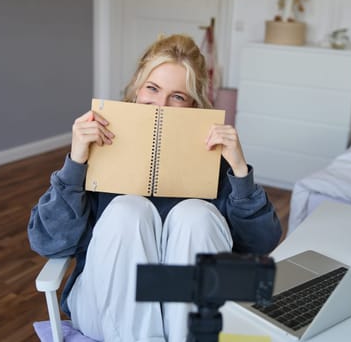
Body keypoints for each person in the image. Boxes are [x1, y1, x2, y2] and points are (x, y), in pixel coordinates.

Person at [28, 34, 282, 342]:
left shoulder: (213, 156)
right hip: (109, 302)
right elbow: (47, 241)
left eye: (177, 96)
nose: (161, 104)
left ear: (193, 103)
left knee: (196, 214)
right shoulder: (98, 145)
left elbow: (260, 244)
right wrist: (76, 162)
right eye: (153, 88)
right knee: (127, 209)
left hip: (185, 309)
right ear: (137, 86)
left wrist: (240, 171)